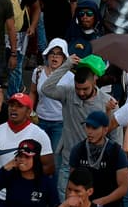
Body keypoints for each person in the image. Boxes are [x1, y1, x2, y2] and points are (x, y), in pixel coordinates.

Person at [42, 55, 114, 197]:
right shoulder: (68, 93)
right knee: (64, 204)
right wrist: (66, 65)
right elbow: (46, 88)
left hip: (94, 166)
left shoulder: (108, 103)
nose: (81, 93)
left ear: (95, 80)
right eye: (78, 89)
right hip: (68, 162)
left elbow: (114, 136)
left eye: (85, 89)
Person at [69, 109, 128, 207]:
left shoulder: (116, 152)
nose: (89, 131)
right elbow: (71, 183)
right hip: (82, 206)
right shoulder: (78, 150)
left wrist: (101, 202)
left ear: (105, 130)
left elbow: (123, 187)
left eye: (94, 128)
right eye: (87, 127)